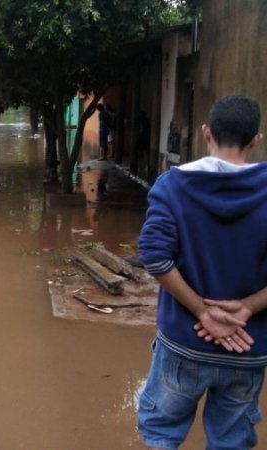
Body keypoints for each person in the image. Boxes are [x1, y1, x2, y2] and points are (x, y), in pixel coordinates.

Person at [137, 95, 267, 449]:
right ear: (255, 140)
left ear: (206, 133)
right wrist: (246, 309)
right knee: (231, 440)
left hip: (184, 344)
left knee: (162, 433)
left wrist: (202, 310)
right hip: (248, 346)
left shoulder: (173, 184)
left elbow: (155, 257)